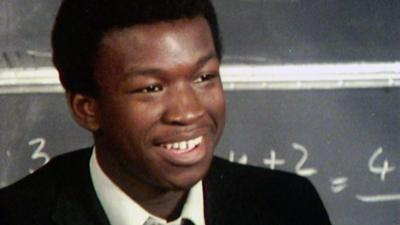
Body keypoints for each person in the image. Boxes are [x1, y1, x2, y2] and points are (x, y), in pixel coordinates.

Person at [0, 0, 332, 224]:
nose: (188, 112)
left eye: (203, 77)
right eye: (151, 88)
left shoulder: (287, 206)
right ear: (87, 109)